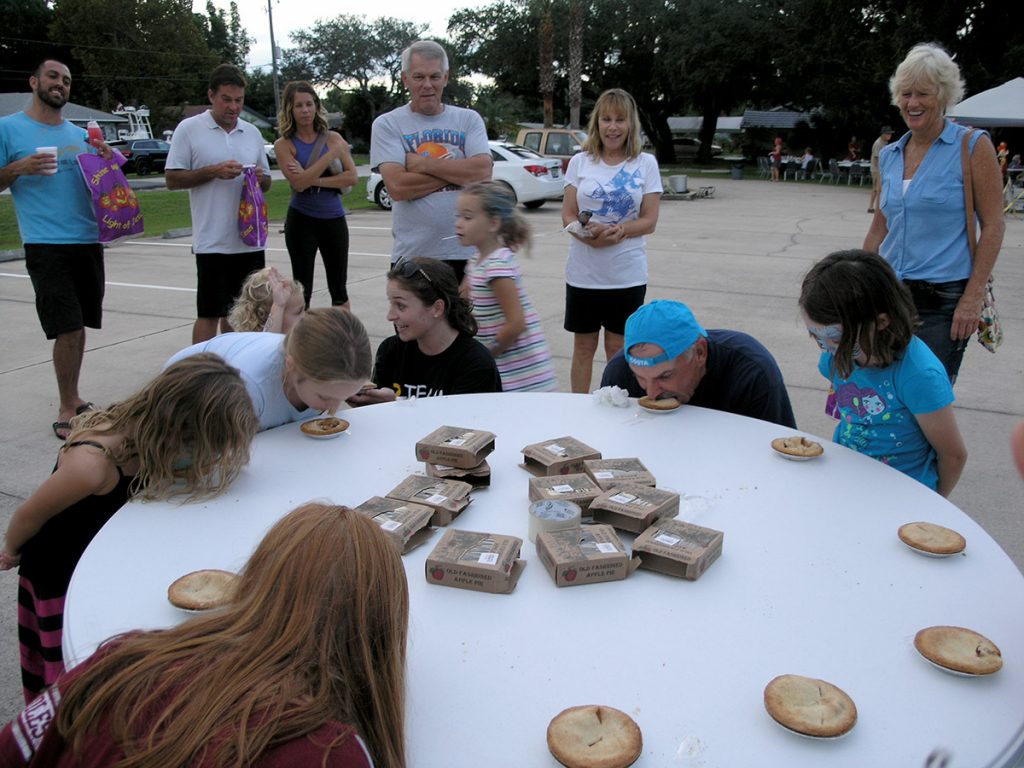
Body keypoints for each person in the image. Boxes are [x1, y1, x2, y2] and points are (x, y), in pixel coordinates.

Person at [0, 502, 408, 768]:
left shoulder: (123, 656)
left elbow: (14, 749)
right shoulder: (329, 753)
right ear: (377, 632)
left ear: (253, 582)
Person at [0, 354, 258, 701]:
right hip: (58, 574)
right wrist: (11, 550)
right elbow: (29, 515)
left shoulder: (150, 440)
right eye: (202, 445)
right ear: (180, 429)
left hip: (99, 559)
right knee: (67, 665)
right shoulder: (93, 464)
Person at [864, 43, 1005, 384]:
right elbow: (880, 227)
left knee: (927, 398)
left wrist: (971, 298)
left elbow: (994, 225)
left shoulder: (972, 146)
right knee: (885, 392)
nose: (912, 103)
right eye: (906, 94)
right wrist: (854, 281)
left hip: (942, 301)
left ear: (943, 95)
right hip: (890, 294)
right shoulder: (892, 154)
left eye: (923, 94)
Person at [0, 59, 119, 440]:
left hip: (87, 240)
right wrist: (19, 167)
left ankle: (75, 396)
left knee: (79, 325)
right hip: (46, 243)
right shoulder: (9, 128)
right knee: (66, 326)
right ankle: (67, 407)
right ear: (34, 81)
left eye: (66, 81)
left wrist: (106, 161)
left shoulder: (80, 134)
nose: (60, 84)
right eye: (53, 77)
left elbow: (101, 182)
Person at [800, 250, 966, 496]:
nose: (825, 348)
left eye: (834, 337)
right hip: (849, 479)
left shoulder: (919, 375)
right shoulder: (836, 357)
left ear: (881, 322)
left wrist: (934, 504)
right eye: (815, 335)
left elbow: (953, 455)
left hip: (902, 493)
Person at [561, 88, 662, 394]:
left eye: (620, 119)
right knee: (583, 348)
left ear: (631, 124)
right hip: (584, 275)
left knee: (618, 350)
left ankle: (615, 407)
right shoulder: (580, 162)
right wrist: (590, 235)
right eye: (606, 119)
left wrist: (620, 231)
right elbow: (568, 216)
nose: (613, 127)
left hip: (625, 276)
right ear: (597, 123)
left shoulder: (645, 163)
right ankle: (577, 408)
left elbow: (649, 221)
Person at [370, 40, 492, 285]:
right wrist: (459, 167)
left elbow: (482, 173)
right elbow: (398, 187)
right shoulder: (387, 124)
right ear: (405, 79)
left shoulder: (468, 120)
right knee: (413, 324)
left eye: (435, 76)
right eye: (418, 77)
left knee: (467, 325)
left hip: (467, 255)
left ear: (446, 77)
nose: (427, 85)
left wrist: (423, 164)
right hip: (413, 258)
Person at [166, 63, 272, 345]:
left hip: (249, 240)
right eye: (227, 99)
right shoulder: (189, 129)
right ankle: (200, 373)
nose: (234, 107)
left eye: (239, 100)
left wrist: (260, 178)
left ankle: (239, 368)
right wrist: (213, 171)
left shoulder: (251, 133)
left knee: (246, 314)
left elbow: (268, 182)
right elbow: (172, 179)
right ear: (211, 95)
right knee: (210, 312)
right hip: (212, 240)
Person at [167, 307, 371, 430]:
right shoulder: (249, 389)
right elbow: (225, 453)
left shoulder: (310, 373)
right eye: (325, 397)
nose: (332, 408)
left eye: (343, 397)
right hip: (184, 404)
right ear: (292, 367)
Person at [600, 300, 796, 428]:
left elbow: (777, 449)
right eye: (640, 378)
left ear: (700, 353)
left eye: (665, 376)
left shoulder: (751, 371)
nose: (651, 393)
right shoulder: (619, 372)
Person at [348, 258, 502, 405]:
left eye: (401, 305)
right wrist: (364, 403)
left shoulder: (476, 363)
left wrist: (396, 405)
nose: (390, 316)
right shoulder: (391, 351)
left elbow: (464, 428)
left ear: (437, 308)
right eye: (391, 303)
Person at [456, 181, 558, 392]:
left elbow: (516, 323)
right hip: (504, 369)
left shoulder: (496, 265)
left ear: (493, 223)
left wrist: (483, 355)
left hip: (524, 375)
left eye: (467, 217)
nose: (458, 223)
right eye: (457, 216)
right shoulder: (477, 261)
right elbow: (462, 301)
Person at [275, 81, 358, 310]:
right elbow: (299, 184)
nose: (305, 110)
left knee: (339, 289)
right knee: (303, 291)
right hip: (302, 220)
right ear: (289, 110)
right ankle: (302, 341)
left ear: (316, 106)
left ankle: (344, 340)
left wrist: (315, 179)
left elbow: (352, 177)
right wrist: (331, 155)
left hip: (333, 218)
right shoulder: (284, 145)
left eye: (309, 104)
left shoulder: (333, 138)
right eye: (298, 105)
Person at [227, 266, 305, 333]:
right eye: (298, 312)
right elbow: (269, 342)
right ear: (264, 319)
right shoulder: (259, 346)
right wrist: (279, 306)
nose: (305, 316)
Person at [867, 125, 893, 213]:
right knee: (876, 188)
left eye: (890, 133)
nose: (890, 135)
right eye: (888, 134)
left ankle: (880, 206)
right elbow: (876, 158)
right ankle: (871, 207)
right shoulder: (878, 143)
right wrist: (880, 171)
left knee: (881, 188)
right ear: (883, 134)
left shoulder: (885, 143)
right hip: (876, 169)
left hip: (881, 169)